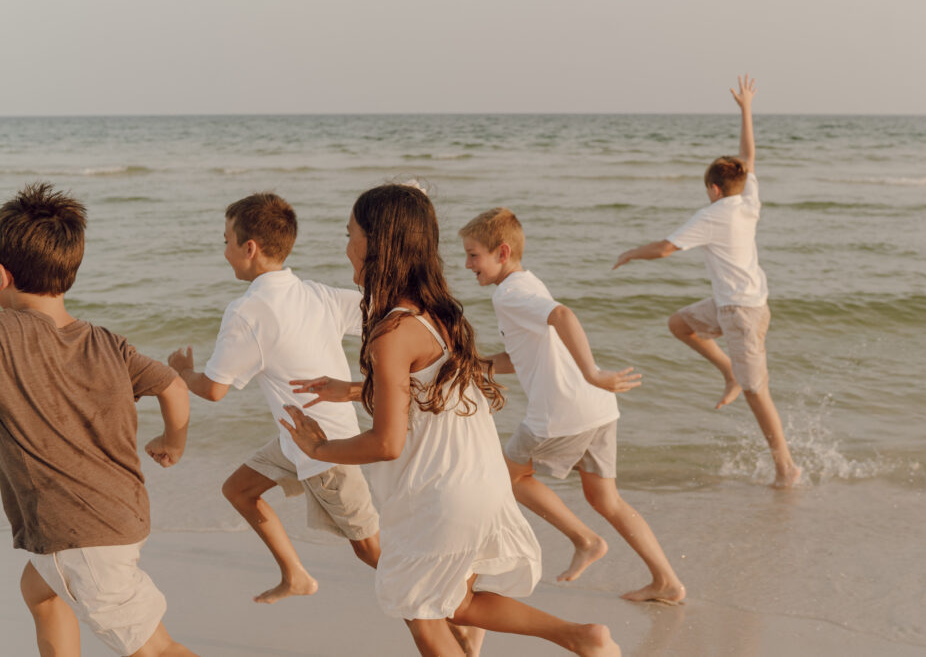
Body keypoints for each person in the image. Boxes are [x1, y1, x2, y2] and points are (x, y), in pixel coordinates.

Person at [280, 184, 619, 657]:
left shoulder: (392, 330)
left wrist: (319, 449)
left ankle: (580, 638)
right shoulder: (437, 311)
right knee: (454, 602)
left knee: (421, 609)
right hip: (475, 477)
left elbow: (387, 443)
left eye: (350, 233)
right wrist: (359, 391)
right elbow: (428, 394)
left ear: (379, 243)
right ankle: (581, 637)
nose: (346, 246)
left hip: (439, 491)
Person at [0, 183, 196, 656]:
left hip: (79, 537)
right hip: (121, 515)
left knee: (156, 649)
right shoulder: (108, 342)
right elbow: (173, 385)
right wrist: (174, 442)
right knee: (40, 592)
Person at [459, 208, 686, 605]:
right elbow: (519, 357)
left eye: (473, 255)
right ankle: (666, 581)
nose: (467, 264)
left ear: (502, 252)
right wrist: (468, 367)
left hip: (562, 413)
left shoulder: (509, 294)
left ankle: (585, 539)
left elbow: (563, 315)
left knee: (506, 476)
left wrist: (593, 373)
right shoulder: (528, 284)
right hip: (597, 408)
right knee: (606, 499)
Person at [167, 192, 380, 605]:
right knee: (239, 489)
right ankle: (295, 574)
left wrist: (182, 371)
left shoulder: (248, 311)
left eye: (226, 241)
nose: (224, 251)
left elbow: (214, 388)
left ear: (250, 248)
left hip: (327, 450)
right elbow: (384, 313)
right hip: (294, 439)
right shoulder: (318, 294)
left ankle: (451, 610)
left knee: (370, 551)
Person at [613, 75, 801, 488]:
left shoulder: (713, 214)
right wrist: (747, 109)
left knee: (758, 393)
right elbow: (748, 155)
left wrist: (630, 253)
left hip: (742, 313)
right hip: (736, 304)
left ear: (714, 190)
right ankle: (729, 372)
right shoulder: (747, 199)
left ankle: (786, 466)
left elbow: (666, 248)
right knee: (680, 324)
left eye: (707, 189)